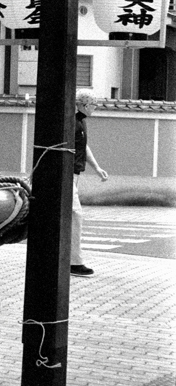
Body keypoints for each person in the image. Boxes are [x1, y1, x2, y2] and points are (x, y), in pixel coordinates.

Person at [72, 89, 109, 277]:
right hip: (68, 176)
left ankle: (70, 260)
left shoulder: (80, 122)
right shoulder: (72, 122)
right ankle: (74, 262)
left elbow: (83, 147)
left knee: (72, 216)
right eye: (94, 105)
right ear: (85, 105)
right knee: (75, 215)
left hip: (73, 175)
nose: (95, 108)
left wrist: (97, 168)